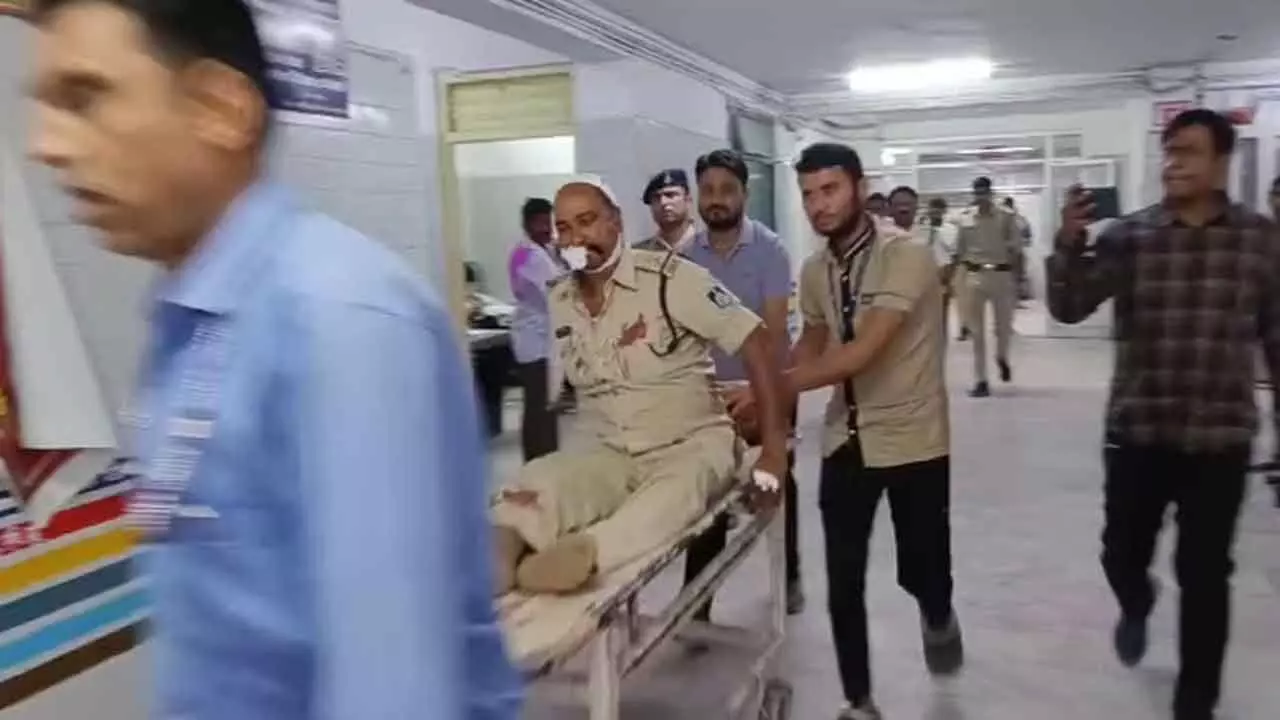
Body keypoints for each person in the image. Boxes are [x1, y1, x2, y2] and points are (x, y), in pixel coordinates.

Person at [26, 1, 521, 718]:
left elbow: (392, 688)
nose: (46, 145)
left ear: (219, 108)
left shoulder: (338, 319)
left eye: (85, 97)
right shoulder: (192, 317)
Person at [1047, 108, 1279, 720]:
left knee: (1205, 574)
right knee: (1120, 554)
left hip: (1220, 437)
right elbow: (1069, 307)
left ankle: (1194, 702)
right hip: (1139, 431)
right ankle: (1137, 599)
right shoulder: (1131, 236)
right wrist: (1069, 242)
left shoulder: (1261, 241)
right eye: (1169, 151)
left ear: (1222, 161)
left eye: (1189, 151)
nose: (1174, 163)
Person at [730, 143, 961, 720]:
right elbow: (814, 341)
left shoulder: (906, 256)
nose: (819, 205)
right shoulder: (816, 270)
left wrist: (769, 388)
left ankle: (938, 613)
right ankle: (859, 701)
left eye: (830, 190)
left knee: (922, 570)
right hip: (846, 440)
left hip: (913, 441)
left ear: (859, 188)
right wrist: (771, 395)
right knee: (843, 581)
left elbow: (862, 352)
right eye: (808, 194)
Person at [489, 178, 789, 595]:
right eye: (564, 228)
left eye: (587, 221)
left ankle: (588, 553)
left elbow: (756, 342)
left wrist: (773, 452)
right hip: (608, 452)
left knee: (674, 497)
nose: (575, 238)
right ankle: (504, 544)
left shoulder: (670, 280)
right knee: (542, 477)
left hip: (689, 444)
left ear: (616, 223)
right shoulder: (561, 298)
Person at [679, 149, 804, 617]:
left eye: (727, 190)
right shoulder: (685, 257)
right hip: (709, 396)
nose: (717, 200)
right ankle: (697, 602)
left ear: (744, 195)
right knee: (708, 488)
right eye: (708, 191)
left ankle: (790, 575)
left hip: (765, 385)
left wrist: (759, 394)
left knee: (773, 480)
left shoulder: (770, 251)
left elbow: (773, 336)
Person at [508, 197, 565, 461]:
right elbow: (557, 291)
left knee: (543, 405)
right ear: (526, 224)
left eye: (548, 223)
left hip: (541, 340)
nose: (546, 229)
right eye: (539, 223)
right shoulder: (529, 255)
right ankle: (539, 462)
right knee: (539, 407)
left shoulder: (540, 251)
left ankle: (543, 460)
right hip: (535, 343)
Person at [955, 176, 1021, 397]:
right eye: (977, 192)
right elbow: (960, 250)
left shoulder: (1006, 216)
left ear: (990, 193)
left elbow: (1016, 247)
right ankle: (981, 380)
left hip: (1001, 274)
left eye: (984, 192)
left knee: (1003, 327)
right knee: (977, 332)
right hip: (975, 275)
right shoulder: (965, 218)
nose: (981, 196)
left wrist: (1016, 275)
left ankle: (1001, 357)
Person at [920, 197, 963, 337]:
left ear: (944, 211)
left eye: (939, 209)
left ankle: (940, 339)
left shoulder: (951, 230)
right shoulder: (921, 228)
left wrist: (951, 277)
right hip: (922, 274)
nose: (935, 212)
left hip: (943, 274)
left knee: (941, 310)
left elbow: (956, 254)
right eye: (933, 208)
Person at [634, 168, 697, 253]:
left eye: (670, 195)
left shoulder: (710, 247)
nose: (663, 202)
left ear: (688, 200)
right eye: (656, 197)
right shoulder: (639, 253)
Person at [1002, 196, 1034, 303]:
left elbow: (1027, 234)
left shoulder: (1017, 218)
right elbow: (1027, 234)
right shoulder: (1018, 218)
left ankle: (1013, 300)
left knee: (1014, 276)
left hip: (1012, 252)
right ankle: (1012, 300)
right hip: (1010, 252)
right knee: (1012, 276)